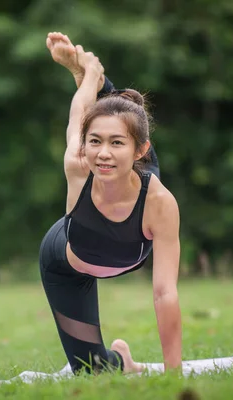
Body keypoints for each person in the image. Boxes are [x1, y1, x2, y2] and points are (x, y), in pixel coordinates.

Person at [39, 32, 182, 374]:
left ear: (140, 152)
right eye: (95, 143)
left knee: (128, 125)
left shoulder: (160, 201)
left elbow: (164, 293)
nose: (102, 153)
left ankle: (103, 86)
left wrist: (174, 374)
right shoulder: (78, 165)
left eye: (115, 144)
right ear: (85, 147)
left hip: (136, 197)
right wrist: (85, 77)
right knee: (93, 371)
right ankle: (125, 363)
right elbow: (79, 116)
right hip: (68, 265)